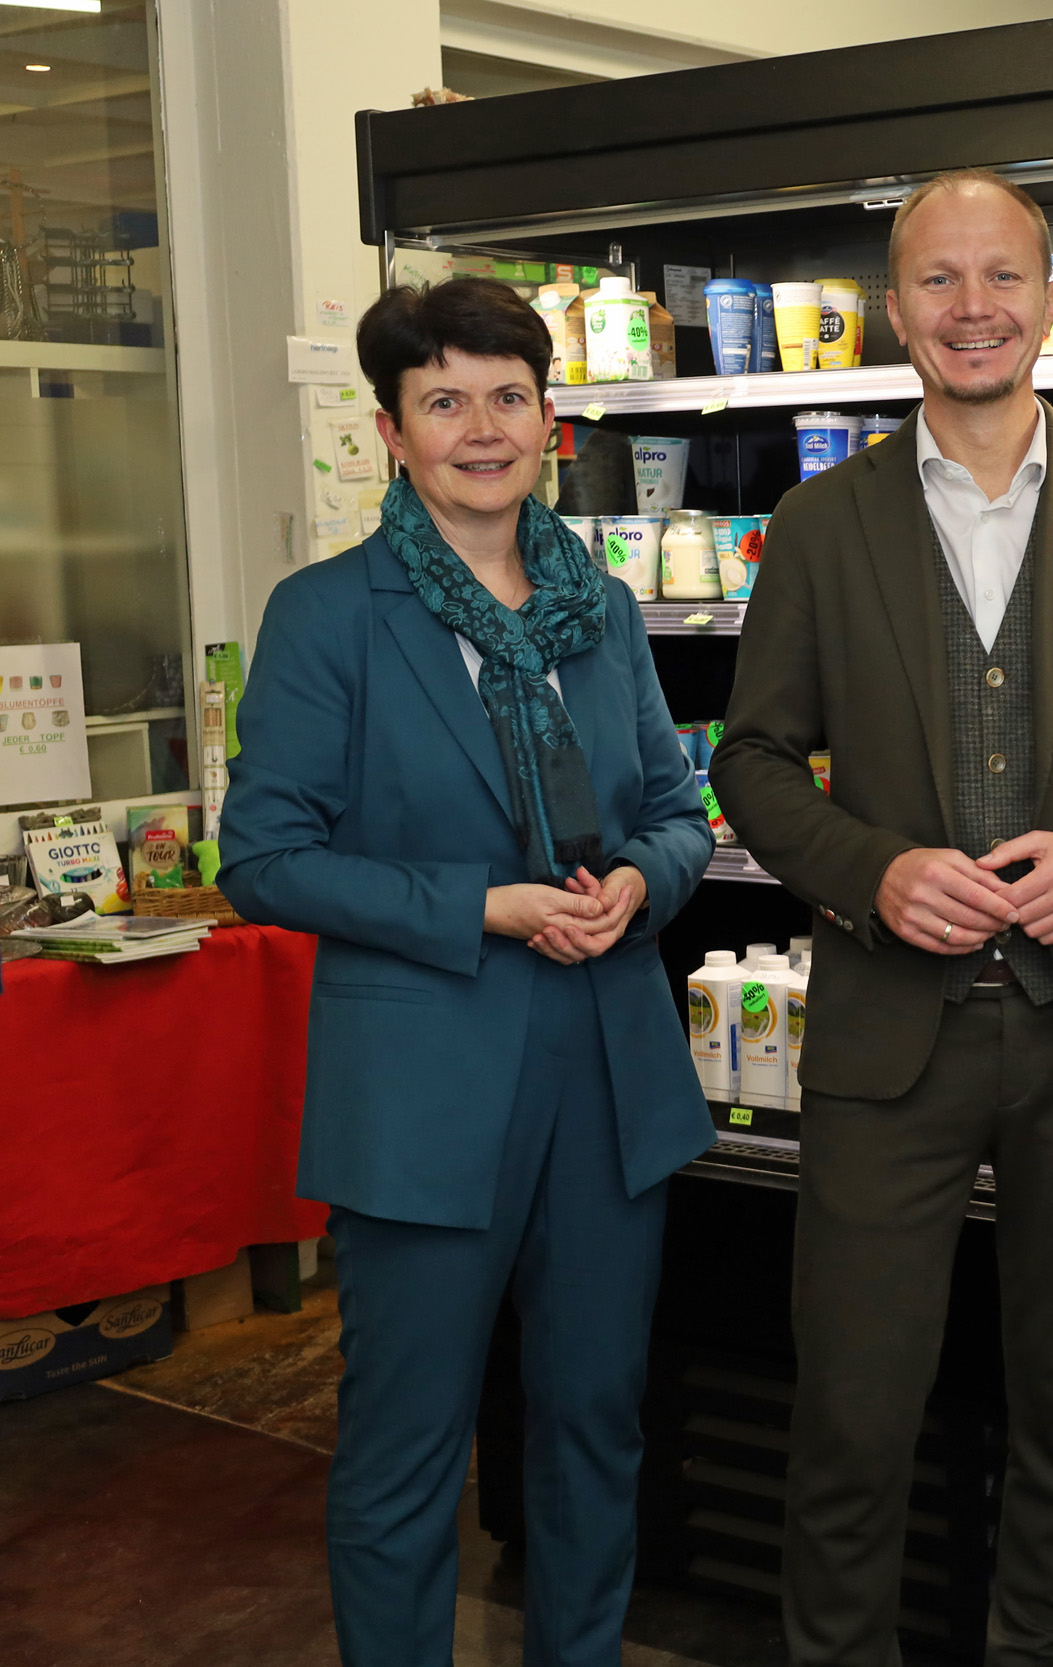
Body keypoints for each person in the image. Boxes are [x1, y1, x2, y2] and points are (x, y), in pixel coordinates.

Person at [707, 169, 1053, 1667]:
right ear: (897, 311)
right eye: (939, 281)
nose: (973, 309)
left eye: (1001, 277)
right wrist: (867, 870)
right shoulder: (823, 524)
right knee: (851, 1413)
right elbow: (750, 759)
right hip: (890, 1040)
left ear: (1050, 301)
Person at [219, 278, 716, 1667]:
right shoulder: (331, 615)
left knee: (592, 1428)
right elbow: (263, 858)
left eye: (507, 396)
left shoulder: (601, 608)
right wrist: (480, 906)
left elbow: (678, 814)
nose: (481, 429)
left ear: (550, 419)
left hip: (607, 1083)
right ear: (390, 430)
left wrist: (640, 879)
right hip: (427, 1088)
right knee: (407, 1449)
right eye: (444, 402)